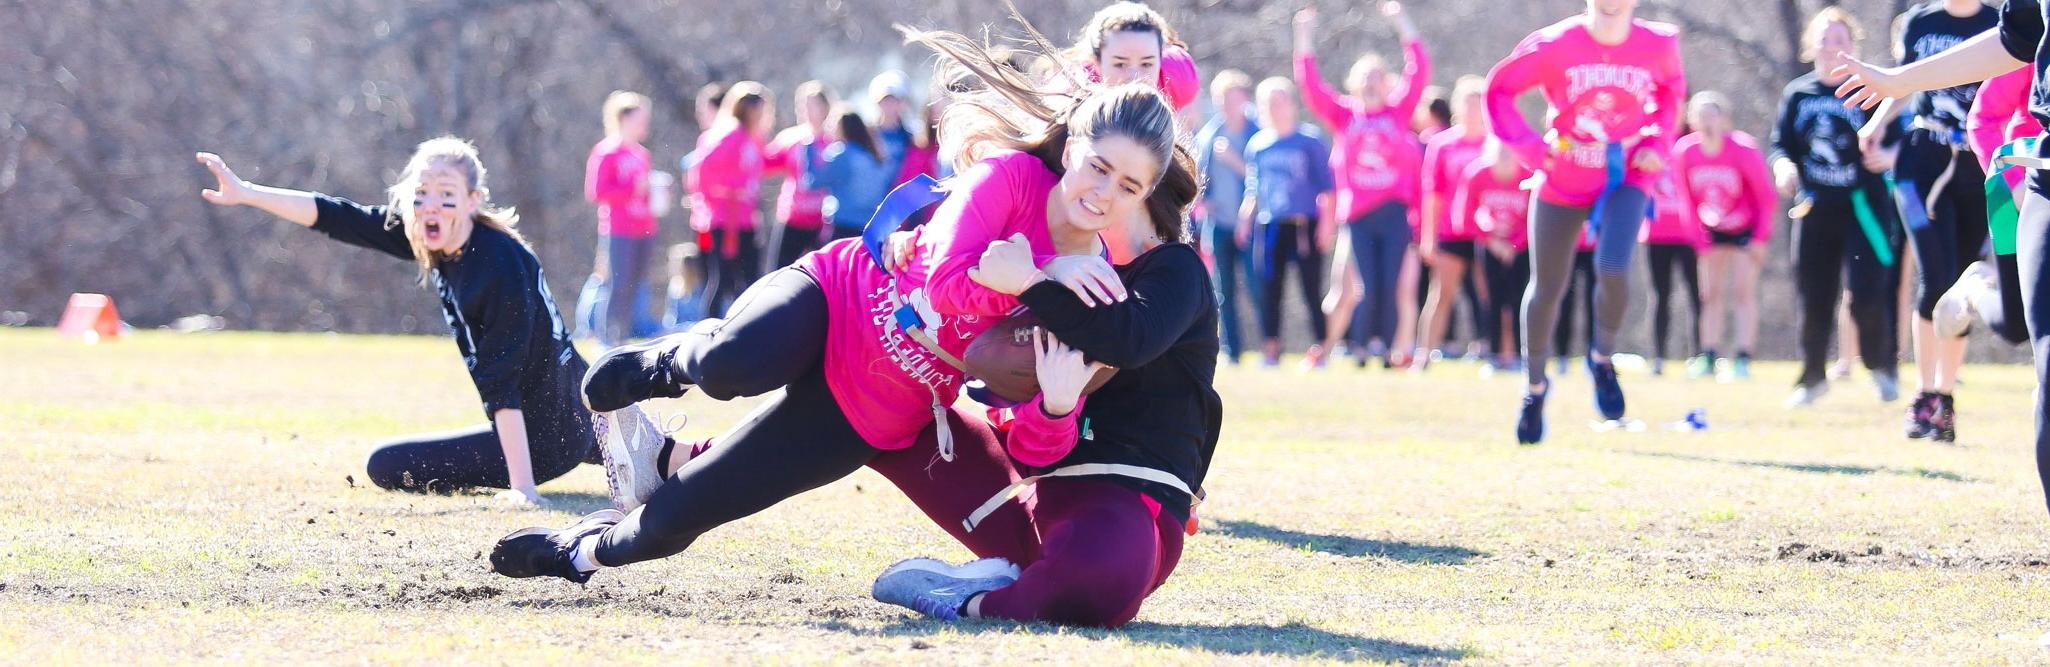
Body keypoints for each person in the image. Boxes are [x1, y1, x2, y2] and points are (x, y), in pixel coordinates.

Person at [485, 27, 1199, 587]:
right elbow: (943, 282)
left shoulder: (1093, 285)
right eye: (1098, 166)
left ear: (1144, 197)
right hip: (841, 297)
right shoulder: (1009, 178)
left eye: (1129, 187)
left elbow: (1020, 431)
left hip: (879, 406)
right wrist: (1033, 270)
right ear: (1073, 146)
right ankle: (669, 358)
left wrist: (1055, 407)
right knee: (737, 363)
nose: (1104, 193)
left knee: (682, 516)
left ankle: (577, 552)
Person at [868, 185, 1220, 629]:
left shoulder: (1176, 267)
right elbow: (1032, 453)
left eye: (1114, 175)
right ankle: (1021, 580)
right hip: (1034, 502)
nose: (1085, 188)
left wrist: (1032, 284)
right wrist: (916, 244)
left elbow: (1128, 339)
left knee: (1100, 578)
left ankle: (971, 599)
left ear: (1145, 182)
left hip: (1125, 513)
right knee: (877, 408)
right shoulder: (1043, 260)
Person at [194, 139, 590, 507]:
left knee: (385, 465)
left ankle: (560, 460)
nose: (429, 205)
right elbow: (340, 217)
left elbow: (503, 376)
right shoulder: (439, 237)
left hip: (544, 440)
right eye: (421, 194)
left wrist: (523, 489)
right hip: (574, 420)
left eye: (446, 194)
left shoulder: (495, 265)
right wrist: (247, 192)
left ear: (473, 200)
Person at [1831, 0, 2050, 516]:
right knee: (2003, 318)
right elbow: (1986, 119)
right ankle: (1962, 316)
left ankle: (1971, 297)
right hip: (2009, 181)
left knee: (2015, 323)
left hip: (1984, 184)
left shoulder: (1981, 20)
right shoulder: (1989, 40)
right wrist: (1898, 85)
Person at [1485, 0, 1686, 443]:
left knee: (1613, 267)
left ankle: (1601, 359)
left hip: (1627, 174)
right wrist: (1534, 150)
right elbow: (1498, 92)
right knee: (1547, 287)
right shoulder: (1557, 44)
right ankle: (1535, 388)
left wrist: (1658, 138)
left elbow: (1671, 91)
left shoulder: (1658, 42)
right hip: (1564, 177)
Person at [1861, 0, 1999, 440]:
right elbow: (1906, 82)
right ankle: (1923, 396)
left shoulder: (1997, 22)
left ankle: (1945, 398)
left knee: (1959, 282)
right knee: (1935, 275)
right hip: (1921, 162)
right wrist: (1878, 123)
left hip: (1978, 164)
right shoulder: (1923, 20)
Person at [1773, 7, 1906, 408]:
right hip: (1814, 208)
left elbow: (1903, 135)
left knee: (1867, 293)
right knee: (1814, 295)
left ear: (1853, 47)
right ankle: (1812, 377)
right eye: (1826, 40)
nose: (1833, 48)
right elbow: (1781, 145)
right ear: (1811, 45)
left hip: (1863, 207)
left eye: (1841, 41)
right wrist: (1782, 168)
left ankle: (1881, 367)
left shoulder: (1867, 89)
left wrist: (1890, 154)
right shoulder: (1798, 93)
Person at [1295, 2, 1431, 369]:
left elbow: (1419, 71)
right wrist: (1304, 38)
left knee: (1391, 285)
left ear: (1386, 84)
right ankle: (1360, 347)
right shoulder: (1344, 115)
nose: (1371, 84)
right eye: (1364, 78)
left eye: (1377, 78)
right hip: (1358, 214)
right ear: (1354, 85)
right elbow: (1311, 87)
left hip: (1394, 210)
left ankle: (1387, 350)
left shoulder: (1398, 112)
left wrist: (1402, 22)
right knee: (1364, 286)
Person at [1058, 1, 1202, 264]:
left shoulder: (1180, 79)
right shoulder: (1072, 96)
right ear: (1096, 64)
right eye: (1120, 64)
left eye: (1147, 64)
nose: (1134, 76)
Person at [1675, 92, 1780, 382]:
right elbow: (1686, 199)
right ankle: (1708, 355)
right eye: (1701, 116)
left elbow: (1766, 196)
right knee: (1710, 294)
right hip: (1712, 229)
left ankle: (1743, 357)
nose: (1707, 123)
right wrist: (1697, 237)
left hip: (1745, 227)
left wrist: (1760, 238)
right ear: (1691, 120)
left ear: (1724, 119)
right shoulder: (1686, 151)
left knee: (1742, 293)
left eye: (1713, 115)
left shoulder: (1743, 149)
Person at [1241, 77, 1337, 367]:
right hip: (1270, 225)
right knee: (1269, 289)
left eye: (1280, 101)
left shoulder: (1309, 141)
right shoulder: (1258, 145)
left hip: (1303, 224)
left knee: (1311, 289)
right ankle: (1271, 350)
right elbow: (1253, 189)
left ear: (1292, 104)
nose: (1275, 108)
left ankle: (1322, 349)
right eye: (1269, 103)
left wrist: (1326, 224)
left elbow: (1327, 188)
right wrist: (1245, 219)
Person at [1418, 77, 1493, 369]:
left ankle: (1496, 350)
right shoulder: (1442, 144)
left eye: (1479, 103)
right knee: (1441, 294)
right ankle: (1424, 354)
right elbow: (1432, 193)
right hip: (1452, 230)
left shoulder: (1495, 143)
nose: (1474, 110)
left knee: (1490, 293)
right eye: (1469, 103)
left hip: (1487, 233)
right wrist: (1429, 236)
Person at [1194, 69, 1262, 365]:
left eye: (1232, 98)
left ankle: (1268, 348)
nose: (1226, 105)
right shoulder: (1209, 135)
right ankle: (1232, 350)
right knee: (1223, 292)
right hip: (1219, 225)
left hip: (1253, 225)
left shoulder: (1258, 134)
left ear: (1245, 99)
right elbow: (1196, 177)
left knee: (1258, 286)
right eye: (1221, 99)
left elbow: (1264, 179)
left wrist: (1234, 160)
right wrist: (1202, 201)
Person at [689, 81, 774, 317]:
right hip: (727, 222)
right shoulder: (730, 135)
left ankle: (744, 330)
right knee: (723, 279)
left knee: (749, 280)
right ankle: (707, 331)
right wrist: (732, 191)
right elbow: (701, 173)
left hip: (746, 219)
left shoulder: (752, 138)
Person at [586, 91, 659, 348]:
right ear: (623, 119)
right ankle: (606, 340)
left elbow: (645, 192)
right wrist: (631, 189)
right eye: (639, 118)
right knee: (617, 284)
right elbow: (596, 192)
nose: (644, 124)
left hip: (644, 228)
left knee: (635, 285)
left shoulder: (642, 155)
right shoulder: (606, 152)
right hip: (618, 229)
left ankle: (623, 338)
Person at [1459, 141, 1537, 372]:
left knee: (1518, 301)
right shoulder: (1477, 174)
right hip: (1489, 247)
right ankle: (1493, 356)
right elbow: (1463, 216)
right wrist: (1492, 241)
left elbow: (1535, 218)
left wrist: (1514, 245)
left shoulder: (1527, 177)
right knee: (1492, 301)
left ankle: (1519, 356)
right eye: (1500, 150)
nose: (1504, 155)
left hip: (1519, 249)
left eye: (1509, 150)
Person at [1641, 169, 1706, 377]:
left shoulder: (1691, 149)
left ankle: (1699, 355)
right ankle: (1658, 357)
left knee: (1697, 296)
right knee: (1660, 296)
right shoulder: (1652, 143)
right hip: (1657, 235)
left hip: (1690, 235)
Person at [764, 81, 834, 269]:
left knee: (820, 275)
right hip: (792, 217)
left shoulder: (834, 139)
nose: (806, 111)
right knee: (778, 270)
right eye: (802, 105)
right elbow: (764, 164)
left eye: (813, 105)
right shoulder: (791, 138)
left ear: (825, 107)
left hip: (823, 220)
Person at [810, 105, 895, 242]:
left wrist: (809, 150)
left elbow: (812, 183)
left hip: (843, 226)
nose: (829, 128)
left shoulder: (841, 153)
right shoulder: (873, 155)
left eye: (832, 124)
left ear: (842, 128)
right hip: (869, 227)